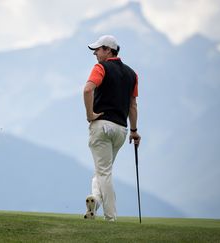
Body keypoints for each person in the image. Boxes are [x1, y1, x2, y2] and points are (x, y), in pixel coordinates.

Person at [83, 35, 141, 221]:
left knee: (104, 172)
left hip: (102, 126)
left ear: (108, 50)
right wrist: (134, 131)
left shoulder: (101, 67)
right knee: (102, 170)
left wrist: (90, 114)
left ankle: (111, 218)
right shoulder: (132, 74)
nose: (95, 53)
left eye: (98, 50)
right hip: (121, 130)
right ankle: (96, 201)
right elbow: (133, 105)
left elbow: (87, 89)